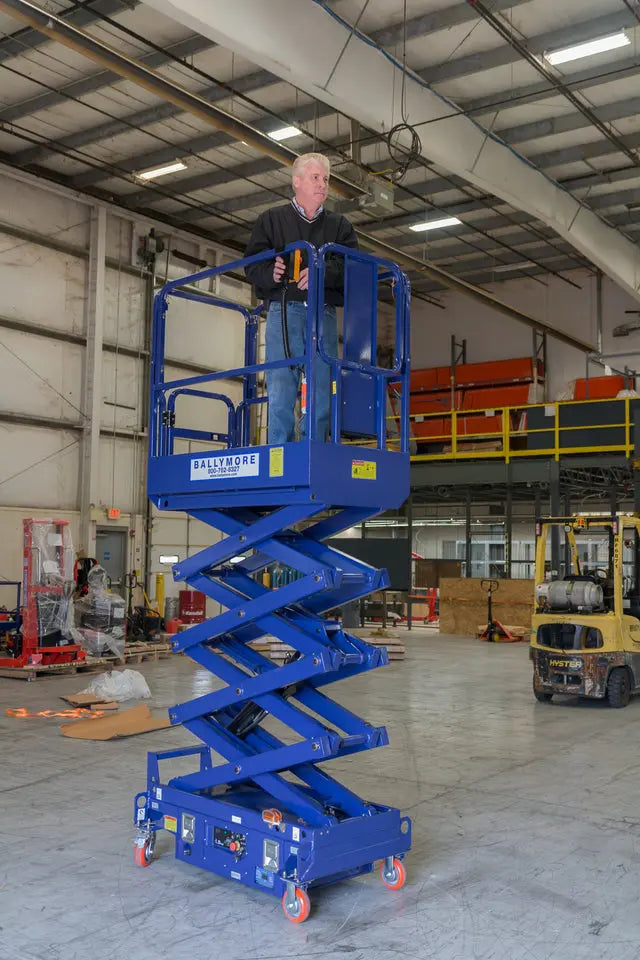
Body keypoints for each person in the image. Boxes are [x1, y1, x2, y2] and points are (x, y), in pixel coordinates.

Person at [244, 153, 357, 444]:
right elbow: (252, 265)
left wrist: (322, 272)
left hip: (323, 314)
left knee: (321, 386)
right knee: (281, 386)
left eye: (326, 179)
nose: (323, 184)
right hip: (284, 312)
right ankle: (279, 452)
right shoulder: (271, 221)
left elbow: (351, 267)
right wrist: (272, 271)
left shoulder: (340, 227)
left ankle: (314, 448)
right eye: (315, 177)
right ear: (296, 182)